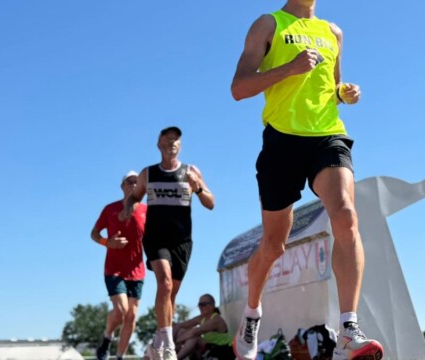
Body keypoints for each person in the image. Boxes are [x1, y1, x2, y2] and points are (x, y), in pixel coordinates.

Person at [230, 1, 384, 360]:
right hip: (282, 139)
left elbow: (332, 88)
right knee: (273, 245)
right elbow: (239, 88)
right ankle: (252, 313)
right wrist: (290, 68)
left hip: (327, 134)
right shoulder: (268, 24)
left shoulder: (334, 32)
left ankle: (348, 328)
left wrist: (345, 93)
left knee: (345, 214)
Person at [121, 126, 215, 360]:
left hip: (182, 240)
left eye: (175, 140)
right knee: (164, 282)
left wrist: (198, 187)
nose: (171, 143)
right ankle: (166, 344)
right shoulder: (148, 173)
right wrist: (129, 206)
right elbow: (134, 196)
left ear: (180, 145)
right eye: (167, 140)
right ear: (159, 145)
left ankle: (157, 342)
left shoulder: (191, 171)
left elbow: (211, 203)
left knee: (170, 296)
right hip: (156, 237)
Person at [91, 171, 147, 360]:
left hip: (137, 270)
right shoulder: (110, 209)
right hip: (114, 268)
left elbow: (153, 238)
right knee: (122, 310)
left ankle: (119, 356)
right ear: (122, 186)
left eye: (136, 182)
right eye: (129, 182)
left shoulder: (147, 211)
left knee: (131, 316)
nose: (133, 184)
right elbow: (94, 233)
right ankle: (107, 337)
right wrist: (108, 243)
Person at [173, 294, 234, 360]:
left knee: (194, 337)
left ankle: (176, 358)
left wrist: (178, 341)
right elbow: (179, 326)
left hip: (223, 351)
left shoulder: (216, 319)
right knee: (182, 331)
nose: (201, 307)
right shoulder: (201, 318)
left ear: (212, 306)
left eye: (204, 304)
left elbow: (196, 331)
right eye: (200, 305)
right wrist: (170, 343)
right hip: (210, 347)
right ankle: (171, 353)